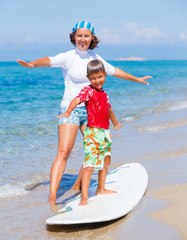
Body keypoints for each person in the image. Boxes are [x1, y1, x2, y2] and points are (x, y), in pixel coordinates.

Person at [17, 20, 152, 205]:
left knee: (97, 150)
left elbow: (115, 71)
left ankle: (85, 186)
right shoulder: (68, 57)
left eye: (86, 36)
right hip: (69, 109)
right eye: (79, 35)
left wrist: (136, 79)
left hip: (91, 111)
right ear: (74, 37)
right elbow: (49, 60)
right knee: (64, 151)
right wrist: (32, 64)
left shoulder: (95, 58)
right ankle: (52, 198)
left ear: (92, 38)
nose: (82, 39)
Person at [57, 59, 122, 205]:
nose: (97, 80)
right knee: (90, 165)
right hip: (93, 133)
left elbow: (109, 109)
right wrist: (68, 112)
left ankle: (101, 188)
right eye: (93, 78)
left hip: (105, 132)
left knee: (106, 161)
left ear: (105, 75)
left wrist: (116, 122)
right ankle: (84, 197)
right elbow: (76, 99)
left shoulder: (104, 94)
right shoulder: (88, 91)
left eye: (100, 77)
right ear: (88, 78)